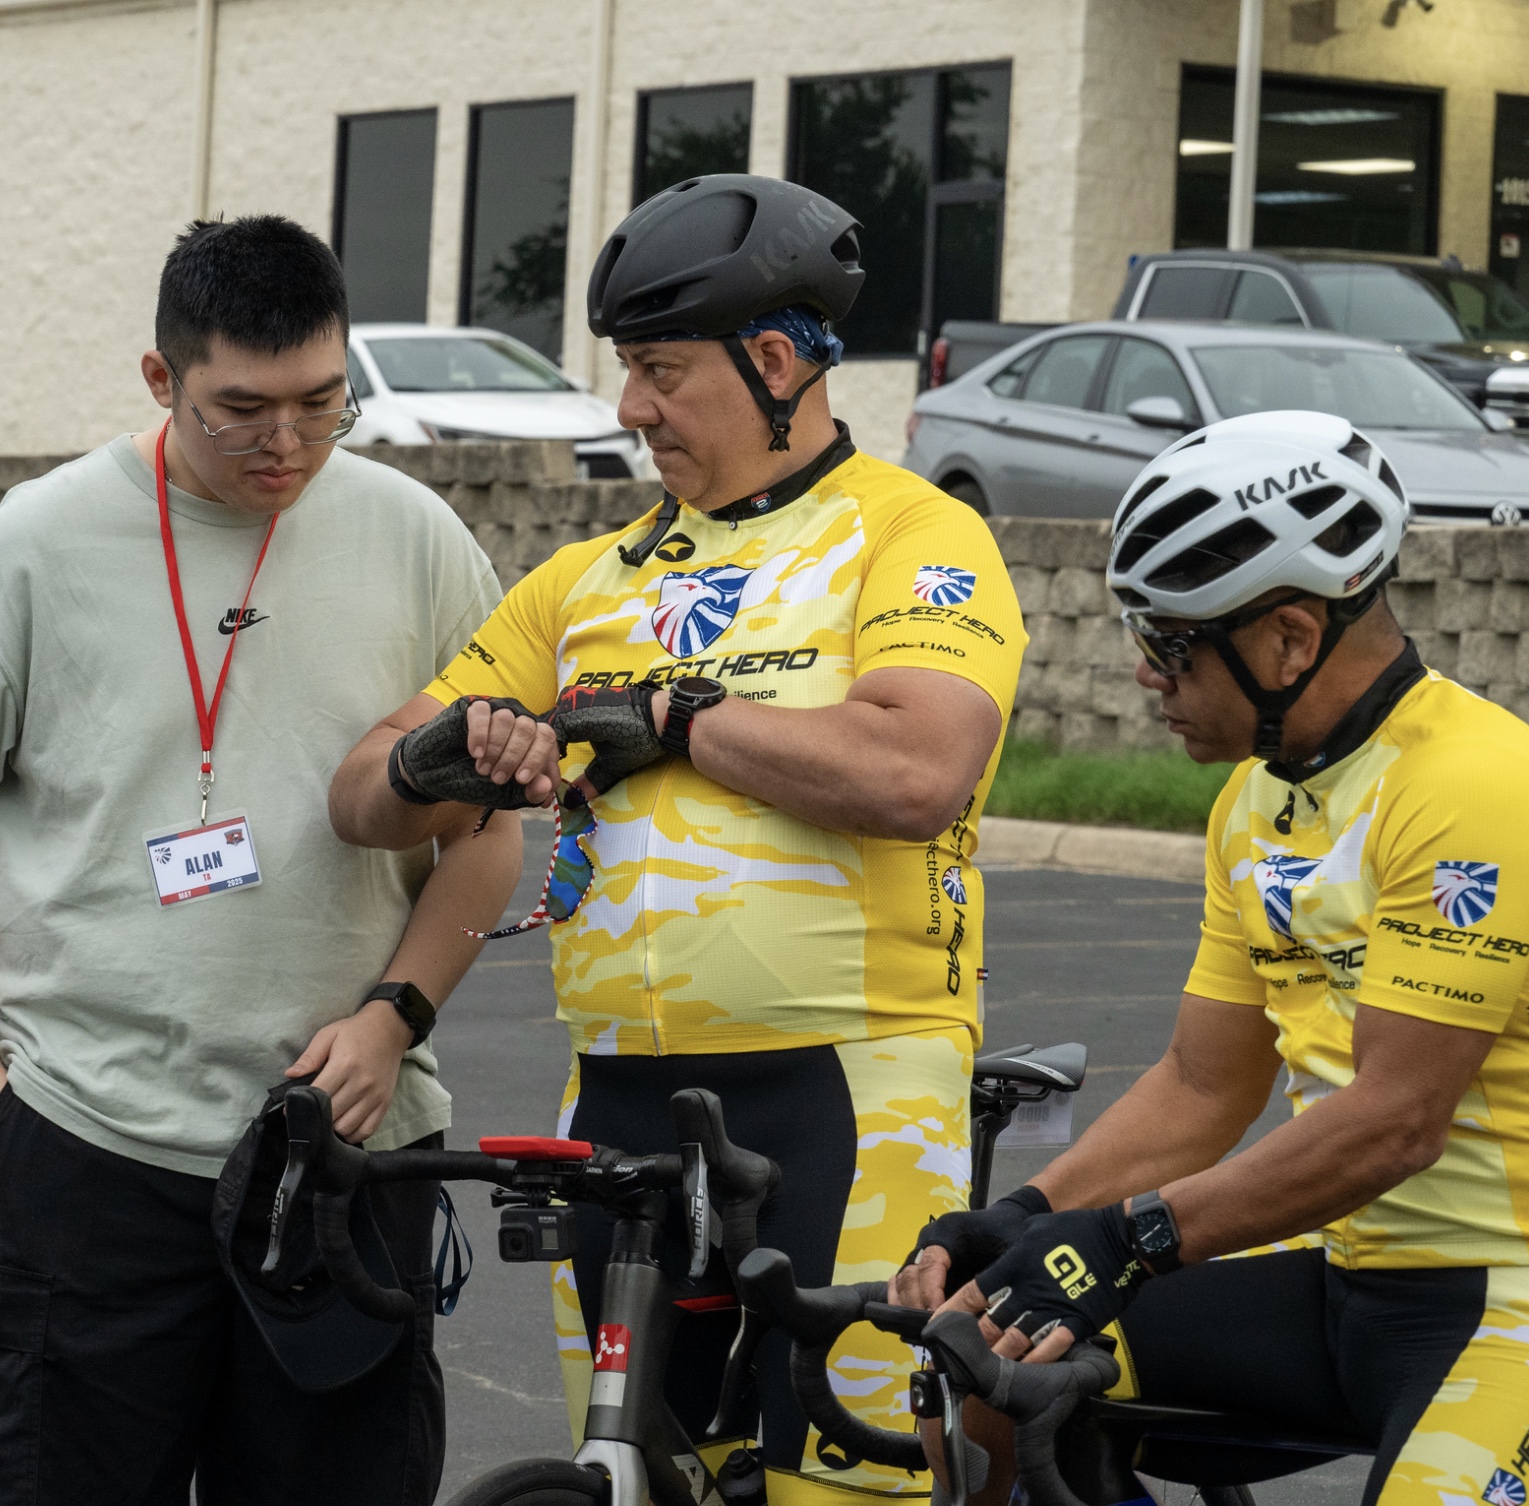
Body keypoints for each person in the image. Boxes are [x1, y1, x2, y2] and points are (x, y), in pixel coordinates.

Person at [329, 173, 1026, 1504]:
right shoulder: (586, 581)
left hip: (846, 1089)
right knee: (644, 1472)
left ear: (775, 363)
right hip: (621, 1104)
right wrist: (445, 753)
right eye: (628, 372)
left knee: (843, 1483)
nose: (631, 408)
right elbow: (360, 791)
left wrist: (674, 714)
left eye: (659, 370)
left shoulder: (917, 533)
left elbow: (915, 765)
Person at [895, 411, 1529, 1506]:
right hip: (1352, 1278)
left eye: (1168, 642)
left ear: (1288, 638)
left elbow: (1395, 1118)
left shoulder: (1472, 784)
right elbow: (1206, 1084)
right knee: (991, 1373)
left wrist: (1127, 1239)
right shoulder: (1258, 799)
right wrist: (1030, 1218)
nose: (1143, 673)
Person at [0, 216, 514, 1504]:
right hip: (90, 1147)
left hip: (349, 1151)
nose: (284, 445)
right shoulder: (33, 546)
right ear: (161, 380)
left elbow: (492, 829)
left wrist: (396, 1020)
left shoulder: (419, 539)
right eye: (240, 410)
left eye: (319, 403)